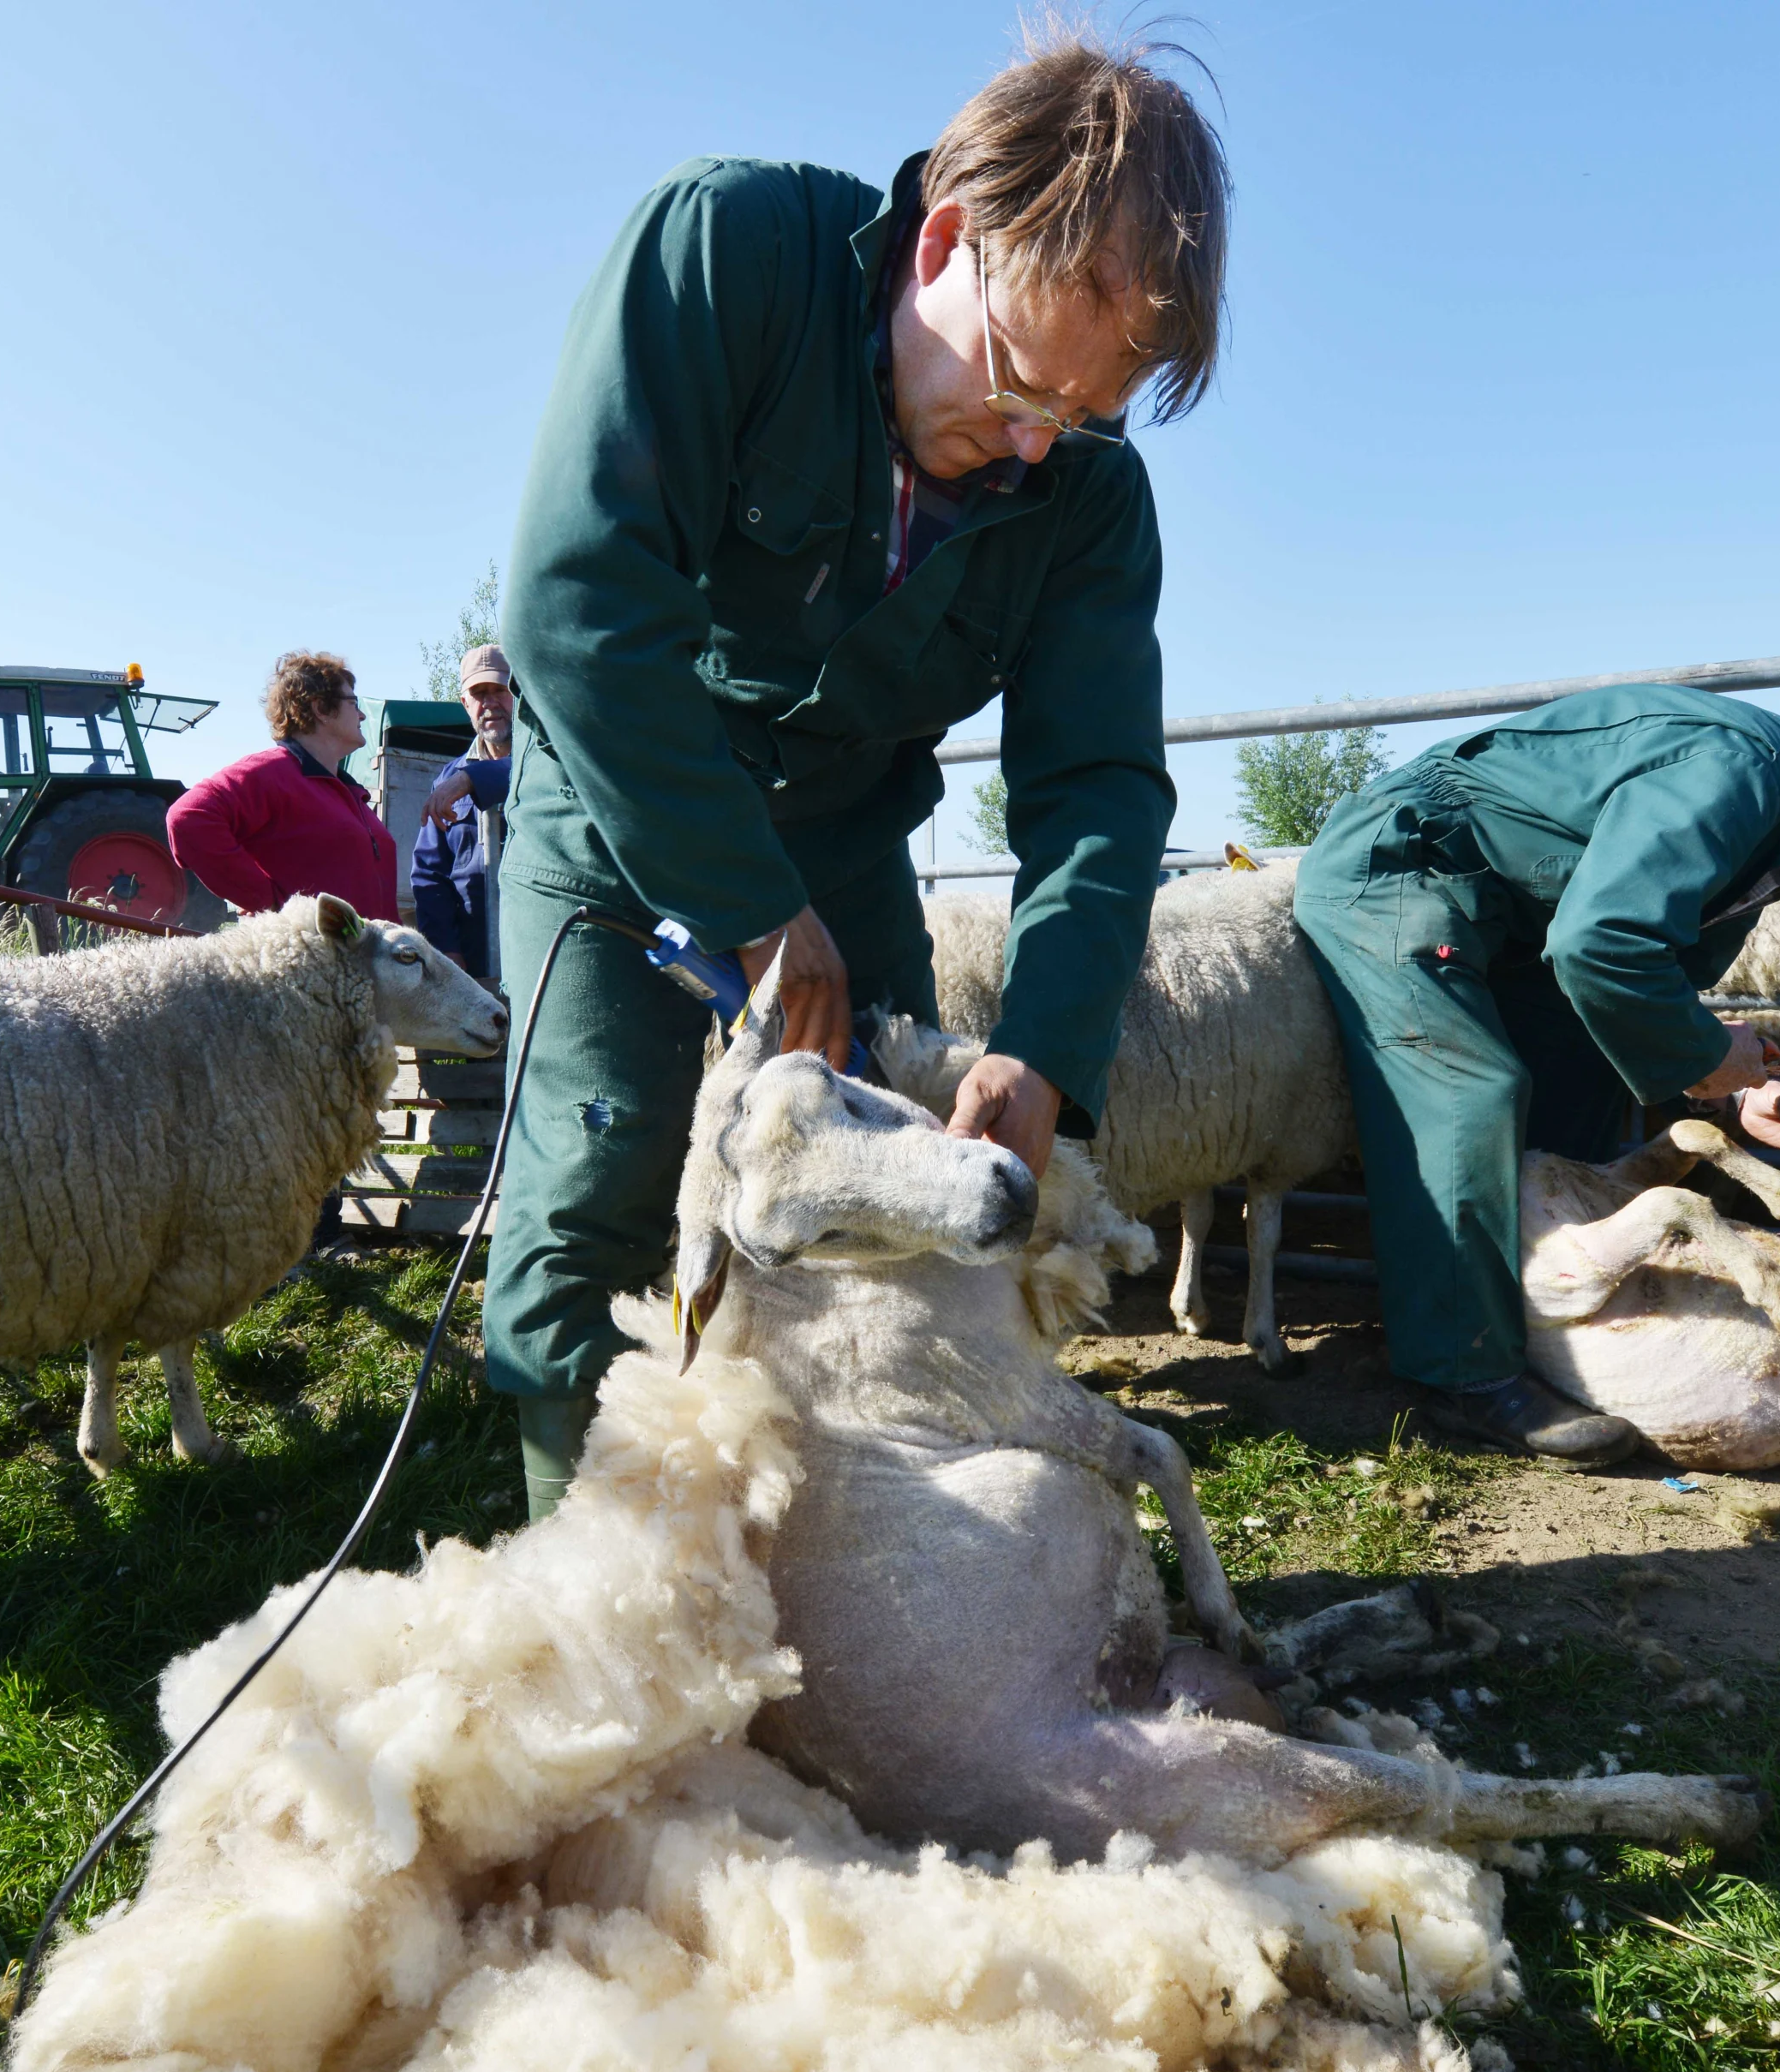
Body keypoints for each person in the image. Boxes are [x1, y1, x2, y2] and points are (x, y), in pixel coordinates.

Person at [487, 33, 1232, 1514]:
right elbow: (580, 605)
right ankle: (598, 1632)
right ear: (947, 239)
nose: (1028, 445)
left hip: (841, 828)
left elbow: (1097, 786)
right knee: (601, 1182)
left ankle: (852, 1594)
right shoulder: (731, 254)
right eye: (1019, 379)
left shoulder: (1083, 498)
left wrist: (1045, 1049)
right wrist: (749, 906)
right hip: (629, 794)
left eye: (1077, 418)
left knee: (888, 1194)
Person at [1289, 688, 1780, 1464]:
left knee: (1585, 1082)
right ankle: (1464, 1372)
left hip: (1520, 923)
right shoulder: (1745, 773)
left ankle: (1539, 1320)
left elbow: (1641, 983)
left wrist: (1738, 1094)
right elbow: (1603, 944)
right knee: (1468, 1091)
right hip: (1410, 871)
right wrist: (1704, 1058)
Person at [166, 651, 398, 922]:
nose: (361, 716)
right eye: (352, 702)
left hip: (366, 958)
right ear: (321, 709)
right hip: (311, 959)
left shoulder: (350, 793)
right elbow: (188, 818)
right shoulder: (272, 773)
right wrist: (271, 903)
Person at [410, 642, 517, 979]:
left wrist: (473, 780)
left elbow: (528, 770)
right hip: (473, 956)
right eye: (479, 693)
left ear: (520, 693)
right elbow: (430, 873)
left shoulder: (549, 758)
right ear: (465, 703)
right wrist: (446, 950)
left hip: (545, 940)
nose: (490, 703)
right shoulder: (447, 778)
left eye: (499, 690)